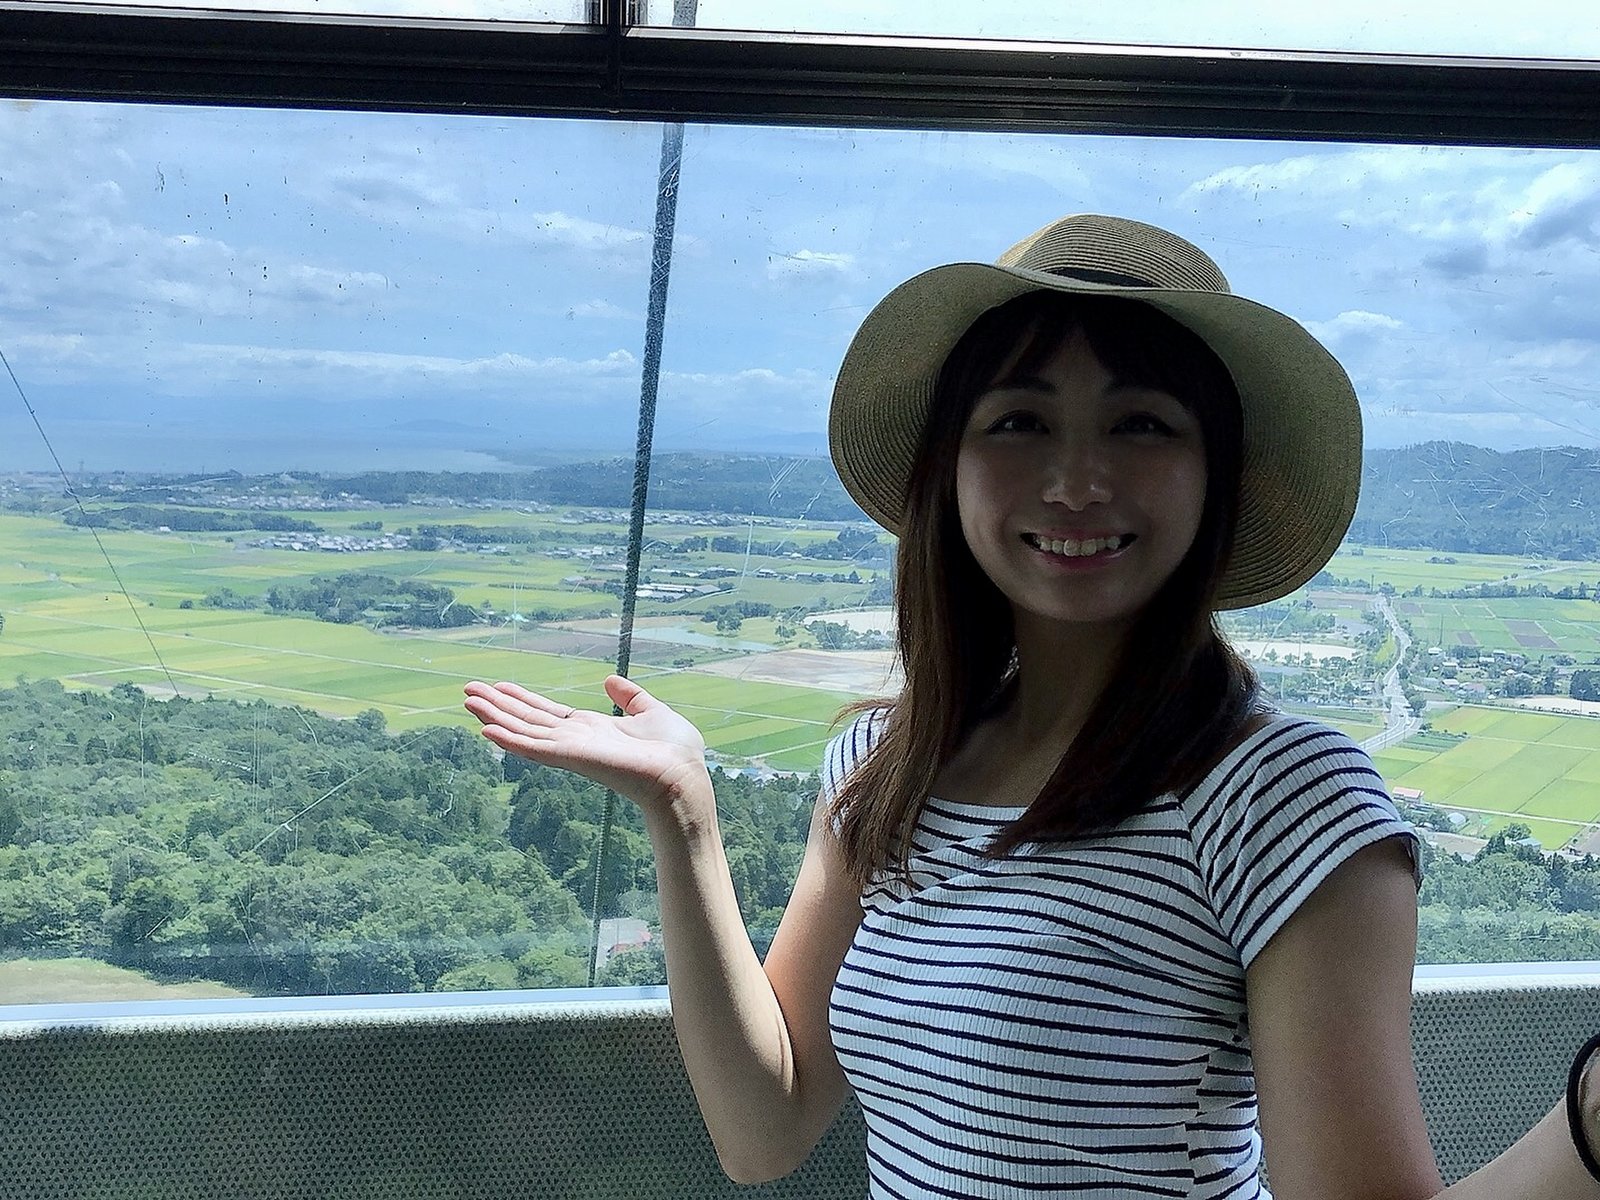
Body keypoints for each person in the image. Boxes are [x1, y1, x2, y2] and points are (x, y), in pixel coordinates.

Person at [465, 213, 1600, 1199]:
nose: (1073, 480)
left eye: (1141, 423)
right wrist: (686, 810)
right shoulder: (881, 764)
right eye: (1017, 421)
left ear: (1216, 477)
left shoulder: (1275, 798)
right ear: (947, 470)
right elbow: (766, 1130)